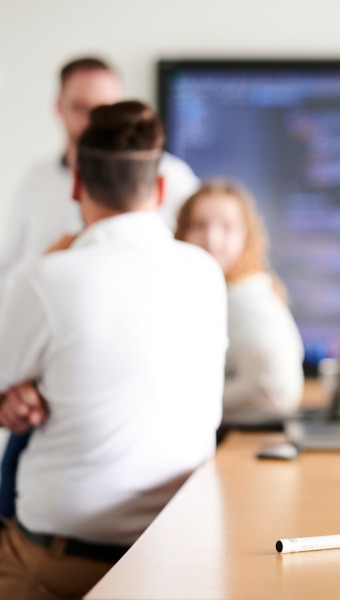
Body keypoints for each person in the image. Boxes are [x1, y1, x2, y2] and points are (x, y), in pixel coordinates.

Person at [0, 100, 227, 599]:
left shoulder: (45, 279)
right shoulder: (205, 273)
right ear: (161, 187)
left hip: (61, 566)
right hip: (183, 565)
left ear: (76, 184)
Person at [0, 56, 200, 296]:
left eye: (104, 109)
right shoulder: (36, 180)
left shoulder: (172, 175)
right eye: (79, 107)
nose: (92, 122)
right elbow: (8, 269)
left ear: (159, 187)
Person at [175, 180, 304, 424]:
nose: (212, 239)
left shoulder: (249, 301)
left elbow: (277, 391)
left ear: (247, 237)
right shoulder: (209, 294)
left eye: (227, 227)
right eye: (199, 225)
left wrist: (183, 405)